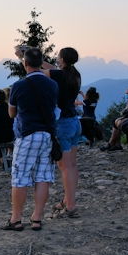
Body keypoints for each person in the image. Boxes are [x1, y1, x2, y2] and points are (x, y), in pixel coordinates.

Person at [3, 48, 58, 232]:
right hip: (48, 134)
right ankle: (37, 218)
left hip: (27, 134)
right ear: (41, 62)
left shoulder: (19, 86)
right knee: (43, 176)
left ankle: (16, 219)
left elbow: (12, 113)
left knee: (20, 177)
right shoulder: (52, 85)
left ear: (25, 63)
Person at [35, 47, 82, 218]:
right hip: (75, 123)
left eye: (58, 57)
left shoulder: (59, 75)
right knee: (72, 165)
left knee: (65, 167)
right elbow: (54, 70)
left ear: (62, 60)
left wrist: (23, 57)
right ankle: (68, 199)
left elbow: (36, 71)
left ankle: (70, 205)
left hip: (63, 124)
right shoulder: (74, 74)